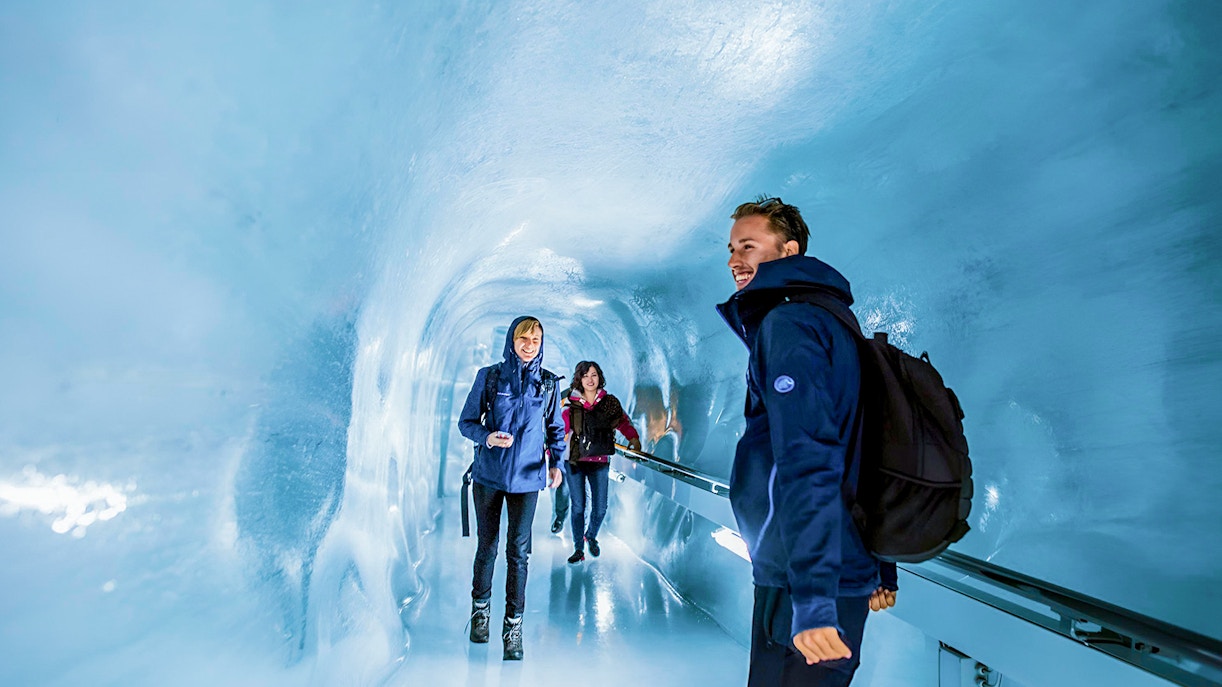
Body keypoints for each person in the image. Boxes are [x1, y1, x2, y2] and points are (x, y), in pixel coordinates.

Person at [716, 197, 898, 686]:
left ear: (788, 250)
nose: (735, 260)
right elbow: (871, 447)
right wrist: (881, 564)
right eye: (732, 248)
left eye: (748, 246)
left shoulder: (789, 326)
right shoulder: (835, 320)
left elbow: (807, 457)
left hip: (801, 576)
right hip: (841, 563)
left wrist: (814, 600)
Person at [457, 316, 566, 661]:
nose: (529, 344)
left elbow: (556, 430)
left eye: (535, 338)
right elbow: (466, 422)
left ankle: (513, 627)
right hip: (489, 475)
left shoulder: (548, 385)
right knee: (487, 546)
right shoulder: (490, 377)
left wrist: (556, 464)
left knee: (519, 552)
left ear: (541, 343)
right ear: (512, 340)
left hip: (527, 480)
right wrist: (487, 436)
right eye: (523, 337)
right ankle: (480, 613)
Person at [561, 360, 641, 564]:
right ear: (579, 379)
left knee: (601, 507)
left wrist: (633, 438)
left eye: (594, 375)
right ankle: (578, 548)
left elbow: (623, 421)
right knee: (578, 506)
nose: (590, 379)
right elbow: (559, 427)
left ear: (600, 377)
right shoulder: (570, 402)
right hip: (575, 460)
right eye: (585, 375)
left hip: (599, 460)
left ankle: (591, 535)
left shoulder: (609, 403)